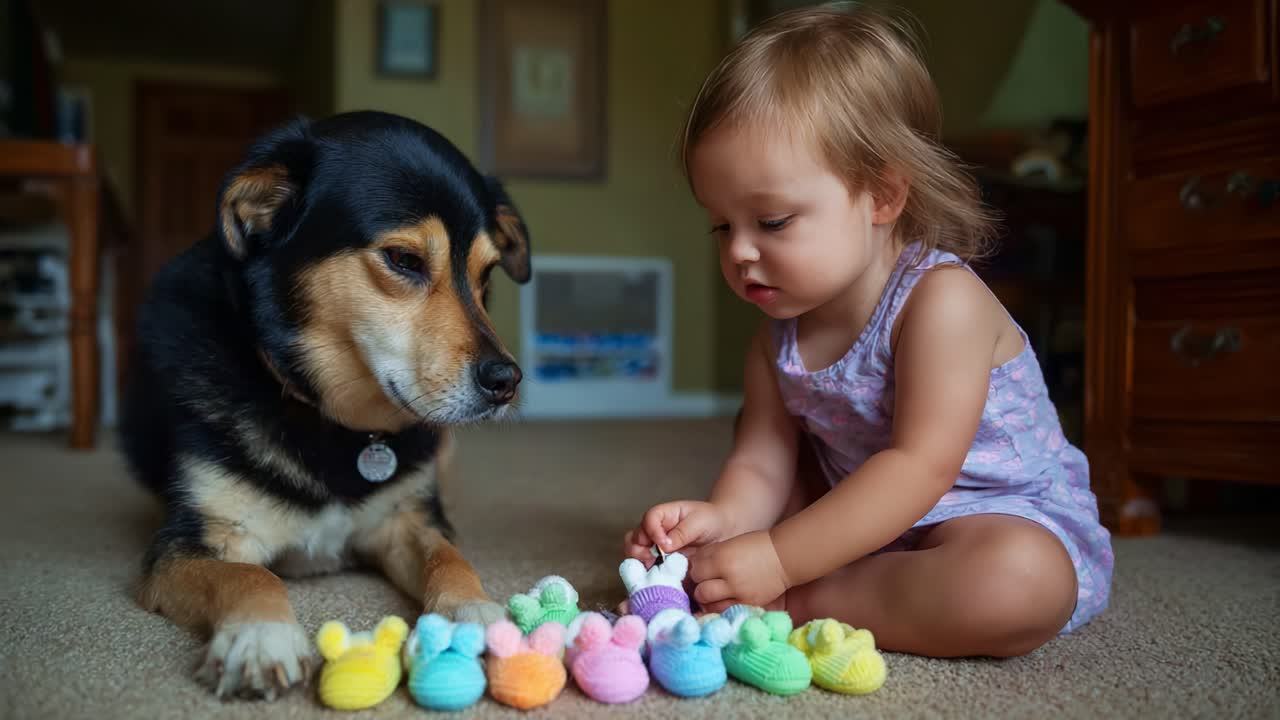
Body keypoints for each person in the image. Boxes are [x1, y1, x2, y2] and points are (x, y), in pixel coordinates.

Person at [623, 4, 1112, 658]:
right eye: (721, 226)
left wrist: (777, 562)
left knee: (1018, 581)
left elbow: (920, 468)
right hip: (866, 530)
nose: (739, 251)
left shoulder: (943, 301)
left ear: (882, 196)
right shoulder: (777, 342)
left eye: (771, 222)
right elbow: (760, 464)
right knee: (773, 501)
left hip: (994, 520)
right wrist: (722, 524)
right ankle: (804, 580)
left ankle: (801, 603)